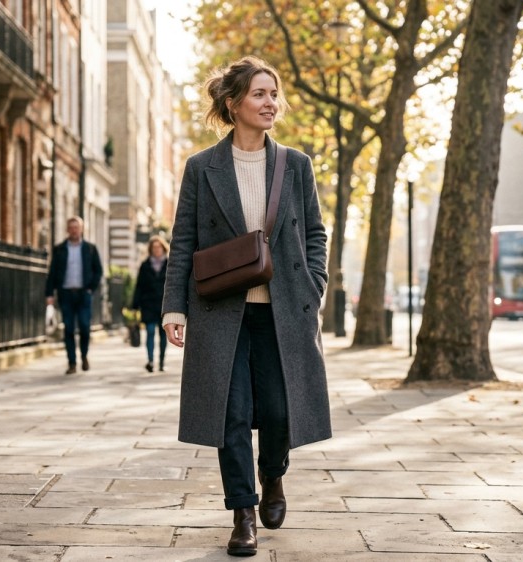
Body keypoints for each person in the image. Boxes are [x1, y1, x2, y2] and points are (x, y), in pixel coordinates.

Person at [161, 56, 331, 557]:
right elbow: (184, 240)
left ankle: (273, 475)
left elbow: (316, 233)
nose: (270, 103)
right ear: (234, 104)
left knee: (279, 411)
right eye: (259, 94)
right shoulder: (202, 167)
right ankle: (243, 513)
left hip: (283, 312)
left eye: (274, 94)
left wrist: (313, 285)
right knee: (230, 415)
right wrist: (175, 308)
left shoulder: (295, 164)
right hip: (222, 311)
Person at [46, 216, 104, 375]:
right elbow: (52, 273)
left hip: (84, 293)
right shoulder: (59, 249)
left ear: (81, 229)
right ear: (67, 229)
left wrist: (91, 288)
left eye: (76, 227)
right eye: (71, 227)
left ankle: (84, 355)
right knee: (69, 329)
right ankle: (72, 362)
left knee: (85, 327)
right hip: (65, 293)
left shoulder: (90, 249)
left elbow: (98, 271)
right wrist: (49, 294)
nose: (74, 230)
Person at [131, 235, 169, 372]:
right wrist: (135, 305)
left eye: (159, 247)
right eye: (154, 247)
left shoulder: (169, 264)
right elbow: (139, 286)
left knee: (163, 334)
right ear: (151, 249)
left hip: (164, 304)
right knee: (150, 331)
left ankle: (162, 361)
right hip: (148, 304)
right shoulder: (145, 265)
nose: (157, 250)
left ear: (163, 248)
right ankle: (151, 360)